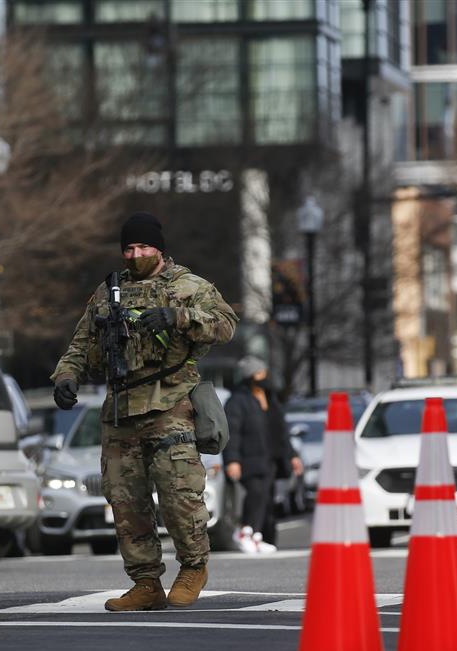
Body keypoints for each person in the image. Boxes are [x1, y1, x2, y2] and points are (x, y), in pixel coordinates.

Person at [51, 212, 237, 611]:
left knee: (178, 495)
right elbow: (81, 343)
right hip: (120, 411)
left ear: (159, 248)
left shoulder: (187, 286)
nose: (136, 255)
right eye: (129, 248)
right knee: (124, 500)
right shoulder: (108, 293)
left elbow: (226, 324)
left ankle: (193, 568)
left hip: (171, 403)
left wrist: (180, 317)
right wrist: (66, 376)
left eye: (144, 247)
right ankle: (145, 581)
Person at [222, 356, 302, 554]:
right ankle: (244, 532)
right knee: (255, 494)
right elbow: (232, 432)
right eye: (259, 373)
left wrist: (292, 455)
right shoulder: (237, 401)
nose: (264, 377)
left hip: (270, 458)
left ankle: (259, 536)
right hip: (249, 458)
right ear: (250, 376)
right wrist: (232, 460)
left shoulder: (271, 398)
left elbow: (281, 431)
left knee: (266, 499)